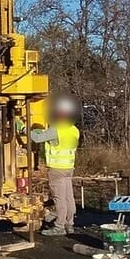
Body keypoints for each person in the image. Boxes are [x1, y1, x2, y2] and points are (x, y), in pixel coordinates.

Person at [41, 98, 80, 236]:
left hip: (56, 169)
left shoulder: (56, 129)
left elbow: (36, 137)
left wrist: (22, 127)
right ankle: (70, 224)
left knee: (59, 198)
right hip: (68, 168)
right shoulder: (74, 130)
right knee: (69, 197)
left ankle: (59, 226)